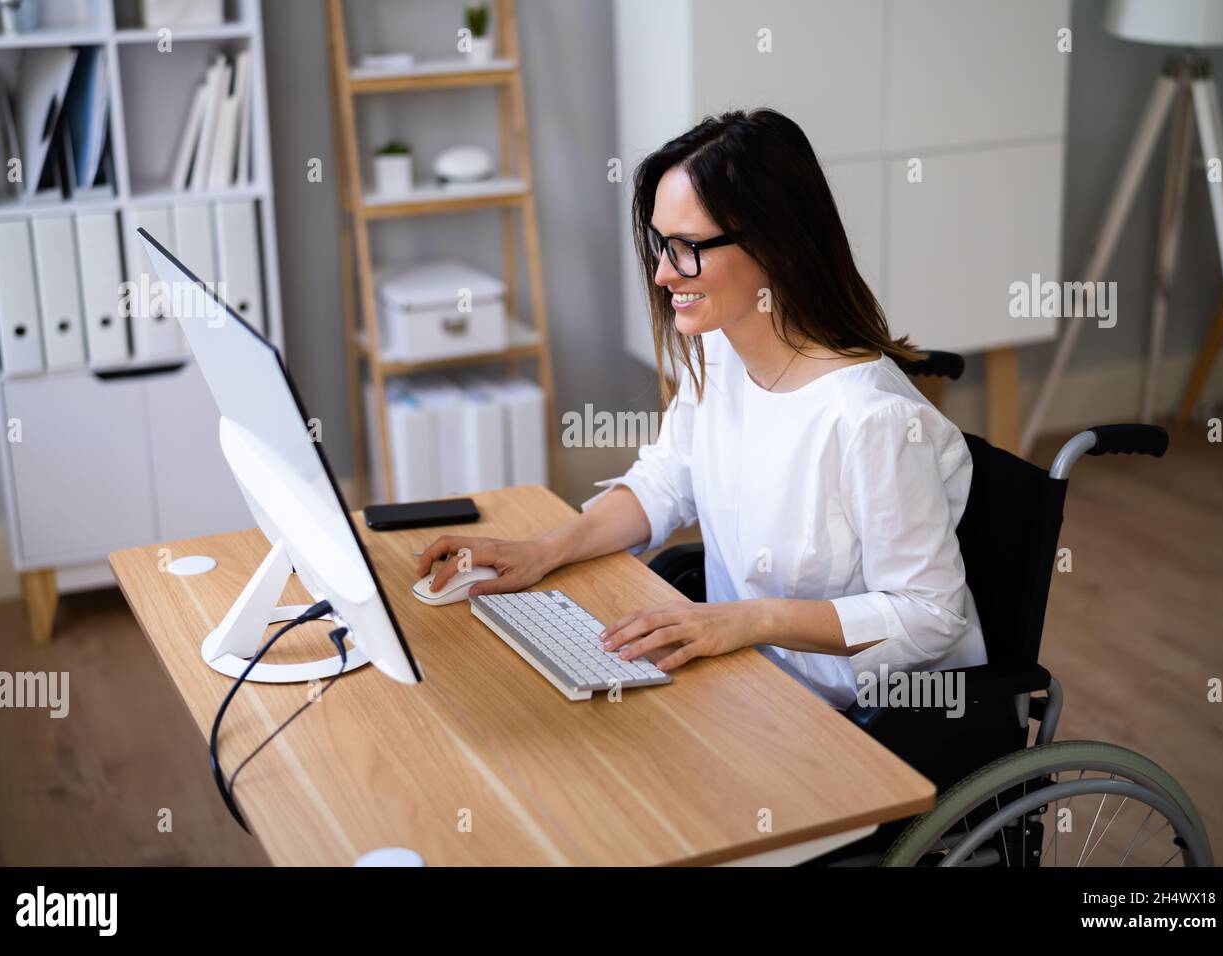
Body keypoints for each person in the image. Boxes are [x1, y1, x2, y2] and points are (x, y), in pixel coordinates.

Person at [415, 108, 986, 709]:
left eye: (687, 248)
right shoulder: (719, 352)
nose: (663, 274)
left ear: (778, 247)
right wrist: (544, 550)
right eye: (663, 245)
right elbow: (666, 482)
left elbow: (928, 617)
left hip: (857, 714)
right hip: (744, 680)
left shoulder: (874, 420)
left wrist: (750, 621)